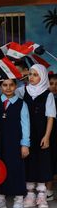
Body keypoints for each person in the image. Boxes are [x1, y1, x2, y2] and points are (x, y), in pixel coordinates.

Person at [14, 64, 55, 208]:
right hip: (26, 134)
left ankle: (42, 195)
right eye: (30, 74)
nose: (31, 77)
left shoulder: (48, 94)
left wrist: (47, 136)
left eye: (35, 74)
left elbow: (50, 117)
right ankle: (30, 194)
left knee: (42, 162)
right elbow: (9, 93)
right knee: (29, 161)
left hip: (41, 133)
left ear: (42, 76)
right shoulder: (21, 91)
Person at [0, 78, 30, 208]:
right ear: (0, 86)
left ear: (16, 86)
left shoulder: (22, 104)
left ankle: (19, 200)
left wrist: (25, 144)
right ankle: (0, 199)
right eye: (4, 85)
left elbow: (26, 125)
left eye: (11, 85)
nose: (8, 88)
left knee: (16, 170)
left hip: (15, 142)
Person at [47, 73, 57, 201]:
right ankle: (48, 190)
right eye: (51, 83)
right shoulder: (46, 97)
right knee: (50, 160)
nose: (54, 87)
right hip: (50, 133)